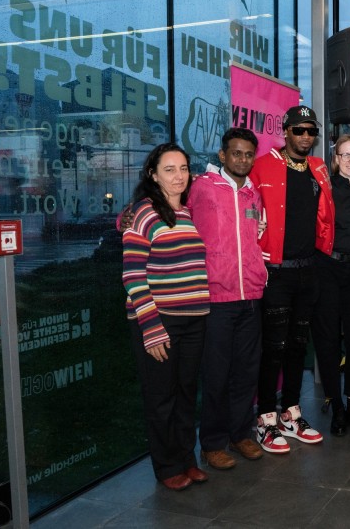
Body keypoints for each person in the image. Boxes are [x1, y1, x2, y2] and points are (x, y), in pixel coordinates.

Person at [122, 143, 210, 491]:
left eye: (183, 168)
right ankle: (167, 466)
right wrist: (151, 328)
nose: (178, 176)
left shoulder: (186, 213)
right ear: (153, 175)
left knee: (187, 394)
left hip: (194, 320)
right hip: (160, 321)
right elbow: (132, 275)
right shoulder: (143, 213)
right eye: (169, 169)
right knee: (161, 398)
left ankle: (187, 458)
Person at [249, 105, 335, 453]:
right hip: (275, 272)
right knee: (274, 347)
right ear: (285, 132)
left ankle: (290, 413)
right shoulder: (261, 166)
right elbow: (235, 195)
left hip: (308, 270)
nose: (305, 136)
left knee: (298, 345)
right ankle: (265, 417)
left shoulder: (319, 168)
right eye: (299, 130)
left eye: (311, 131)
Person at [195, 128, 267, 470]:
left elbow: (256, 238)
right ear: (223, 155)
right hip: (216, 298)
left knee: (246, 372)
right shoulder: (201, 187)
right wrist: (129, 215)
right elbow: (166, 205)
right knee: (216, 375)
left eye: (248, 154)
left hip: (251, 296)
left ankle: (240, 434)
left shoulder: (253, 194)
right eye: (236, 153)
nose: (242, 159)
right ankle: (212, 443)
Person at [311, 135, 350, 437]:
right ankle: (336, 407)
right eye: (345, 155)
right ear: (336, 159)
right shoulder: (323, 190)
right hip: (328, 270)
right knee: (327, 342)